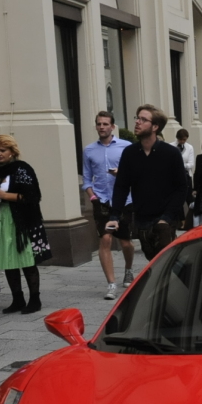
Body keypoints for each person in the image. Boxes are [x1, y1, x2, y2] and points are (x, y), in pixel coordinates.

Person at [107, 104, 186, 261]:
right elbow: (122, 186)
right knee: (153, 260)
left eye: (143, 119)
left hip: (164, 220)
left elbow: (182, 187)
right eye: (137, 118)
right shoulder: (130, 153)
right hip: (142, 219)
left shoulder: (171, 153)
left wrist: (167, 218)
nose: (137, 122)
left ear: (155, 126)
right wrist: (114, 215)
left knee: (163, 264)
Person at [0, 134, 49, 314]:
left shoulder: (22, 169)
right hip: (2, 218)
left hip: (21, 220)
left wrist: (5, 196)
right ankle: (17, 299)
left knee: (26, 259)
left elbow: (33, 197)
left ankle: (35, 299)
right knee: (8, 260)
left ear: (12, 151)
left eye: (2, 150)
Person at [82, 111, 134, 300]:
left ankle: (128, 270)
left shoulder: (126, 147)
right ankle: (111, 284)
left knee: (126, 243)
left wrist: (120, 173)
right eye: (99, 124)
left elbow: (134, 174)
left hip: (124, 200)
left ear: (112, 126)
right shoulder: (89, 150)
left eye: (105, 124)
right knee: (105, 240)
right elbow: (86, 178)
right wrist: (92, 196)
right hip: (102, 200)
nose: (102, 127)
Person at [175, 128, 197, 230]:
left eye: (184, 139)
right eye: (180, 139)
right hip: (175, 177)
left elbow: (191, 164)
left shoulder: (189, 147)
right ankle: (182, 222)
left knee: (189, 198)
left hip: (187, 176)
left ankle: (193, 220)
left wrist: (181, 165)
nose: (182, 141)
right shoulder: (171, 146)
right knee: (178, 200)